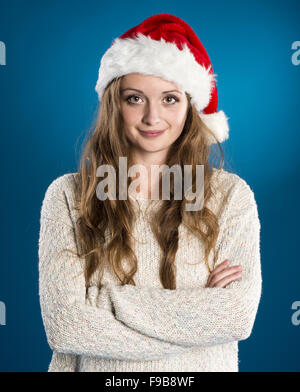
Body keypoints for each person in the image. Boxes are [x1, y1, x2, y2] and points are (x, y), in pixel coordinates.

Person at [38, 13, 262, 372]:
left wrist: (105, 300)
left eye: (170, 99)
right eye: (135, 98)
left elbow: (235, 317)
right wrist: (196, 314)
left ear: (190, 105)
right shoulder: (68, 196)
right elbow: (66, 326)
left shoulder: (230, 197)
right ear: (115, 103)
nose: (152, 117)